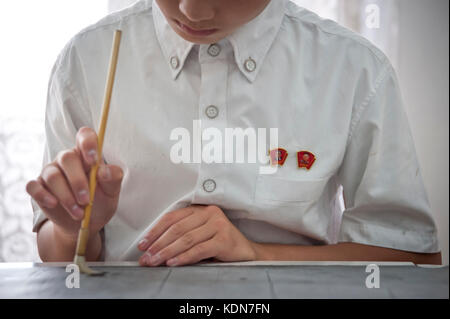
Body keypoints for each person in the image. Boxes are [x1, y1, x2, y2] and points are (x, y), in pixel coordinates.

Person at [26, 0, 441, 266]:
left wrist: (259, 254)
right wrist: (75, 228)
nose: (192, 11)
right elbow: (59, 259)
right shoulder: (86, 60)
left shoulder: (353, 70)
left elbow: (414, 260)